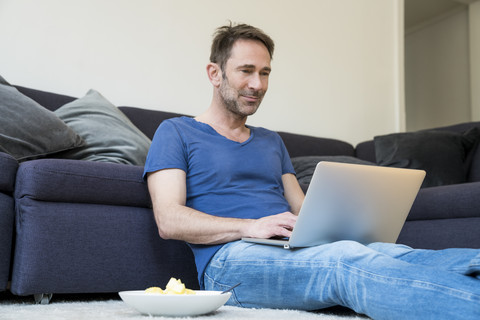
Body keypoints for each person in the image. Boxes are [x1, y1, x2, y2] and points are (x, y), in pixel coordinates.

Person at [143, 22, 480, 319]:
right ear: (214, 73)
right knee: (344, 262)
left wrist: (348, 223)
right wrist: (252, 226)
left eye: (265, 73)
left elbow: (303, 209)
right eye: (246, 70)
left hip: (291, 247)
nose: (257, 84)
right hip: (229, 262)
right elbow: (169, 220)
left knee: (395, 254)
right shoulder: (176, 132)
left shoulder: (271, 142)